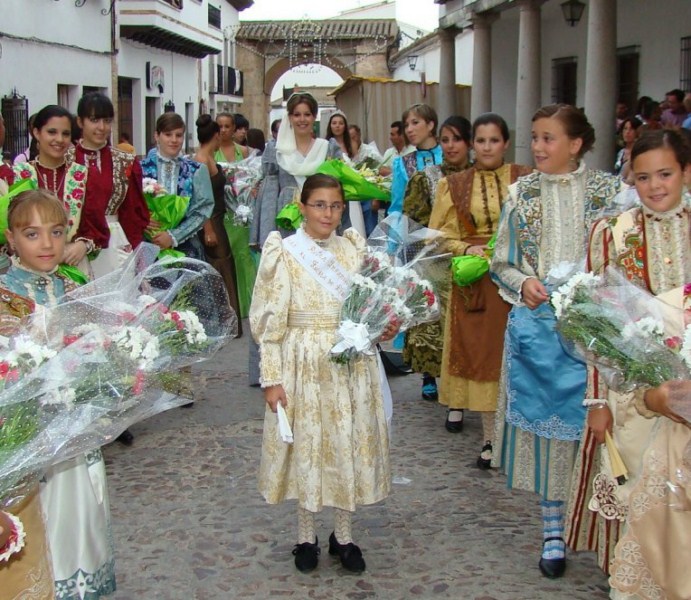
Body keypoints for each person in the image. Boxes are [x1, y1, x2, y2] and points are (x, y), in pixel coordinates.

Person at [490, 104, 620, 579]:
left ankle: (608, 534)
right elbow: (499, 260)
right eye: (535, 138)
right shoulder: (521, 194)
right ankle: (552, 532)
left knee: (603, 433)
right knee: (548, 432)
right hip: (541, 331)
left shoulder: (610, 193)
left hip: (600, 334)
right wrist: (523, 283)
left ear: (576, 144)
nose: (538, 147)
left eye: (548, 138)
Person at [566, 130, 691, 598]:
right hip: (635, 390)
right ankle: (636, 582)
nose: (656, 186)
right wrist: (598, 400)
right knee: (635, 486)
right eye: (643, 177)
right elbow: (597, 325)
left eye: (665, 174)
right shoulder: (613, 233)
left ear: (686, 172)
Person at [250, 173, 395, 574]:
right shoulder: (284, 251)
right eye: (319, 205)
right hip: (302, 363)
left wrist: (384, 323)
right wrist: (272, 378)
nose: (328, 213)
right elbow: (269, 321)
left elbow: (370, 305)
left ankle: (343, 535)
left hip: (349, 364)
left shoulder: (352, 249)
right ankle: (305, 535)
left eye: (335, 206)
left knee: (344, 443)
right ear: (302, 206)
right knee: (308, 447)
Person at [2, 188, 115, 596]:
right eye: (31, 234)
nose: (47, 244)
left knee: (79, 519)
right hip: (26, 438)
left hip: (74, 432)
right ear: (11, 239)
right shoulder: (5, 295)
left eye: (56, 231)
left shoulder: (71, 285)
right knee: (40, 526)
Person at [429, 113, 533, 458]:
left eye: (494, 140)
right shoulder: (454, 185)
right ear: (473, 145)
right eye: (481, 140)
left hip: (519, 282)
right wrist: (466, 248)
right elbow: (439, 235)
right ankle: (490, 439)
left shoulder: (526, 180)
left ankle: (520, 438)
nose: (487, 147)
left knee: (518, 356)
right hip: (476, 284)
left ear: (505, 143)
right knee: (483, 359)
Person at [249, 93, 343, 387]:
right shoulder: (276, 149)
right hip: (286, 222)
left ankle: (324, 360)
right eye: (296, 114)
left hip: (322, 222)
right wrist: (267, 235)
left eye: (307, 114)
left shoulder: (328, 149)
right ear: (289, 117)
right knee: (280, 293)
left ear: (315, 117)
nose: (302, 119)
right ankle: (274, 366)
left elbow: (340, 189)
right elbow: (268, 191)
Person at [402, 115, 472, 407]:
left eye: (457, 139)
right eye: (445, 140)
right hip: (433, 260)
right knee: (430, 323)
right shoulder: (426, 177)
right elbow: (411, 221)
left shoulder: (480, 177)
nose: (451, 146)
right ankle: (430, 377)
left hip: (471, 261)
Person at [0, 105, 109, 274]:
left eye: (65, 134)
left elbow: (97, 227)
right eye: (52, 132)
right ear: (37, 133)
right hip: (27, 270)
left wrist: (82, 245)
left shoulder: (84, 175)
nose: (59, 139)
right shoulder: (17, 175)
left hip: (73, 268)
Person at [69, 92, 150, 278]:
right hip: (74, 244)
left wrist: (139, 261)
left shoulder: (125, 161)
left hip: (114, 242)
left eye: (107, 120)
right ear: (80, 122)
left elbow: (132, 216)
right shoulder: (67, 160)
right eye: (94, 120)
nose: (102, 127)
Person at [193, 114, 243, 336]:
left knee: (225, 267)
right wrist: (208, 229)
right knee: (220, 267)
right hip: (211, 221)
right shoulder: (202, 160)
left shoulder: (209, 157)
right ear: (215, 135)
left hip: (219, 218)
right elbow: (200, 198)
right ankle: (223, 323)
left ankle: (228, 322)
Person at [141, 112, 214, 260]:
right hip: (148, 246)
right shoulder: (140, 168)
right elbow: (129, 206)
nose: (174, 140)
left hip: (186, 248)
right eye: (168, 135)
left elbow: (203, 209)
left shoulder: (196, 170)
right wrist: (142, 221)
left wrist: (173, 236)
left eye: (179, 135)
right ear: (157, 136)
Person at [389, 103, 443, 216]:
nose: (409, 130)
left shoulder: (449, 155)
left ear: (430, 125)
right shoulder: (403, 164)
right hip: (416, 230)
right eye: (406, 125)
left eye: (415, 123)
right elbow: (397, 209)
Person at [348, 123, 383, 236]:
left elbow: (380, 174)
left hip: (368, 197)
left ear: (359, 136)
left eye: (353, 137)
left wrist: (376, 198)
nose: (351, 140)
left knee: (370, 230)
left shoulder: (370, 152)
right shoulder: (346, 153)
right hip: (352, 198)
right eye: (349, 138)